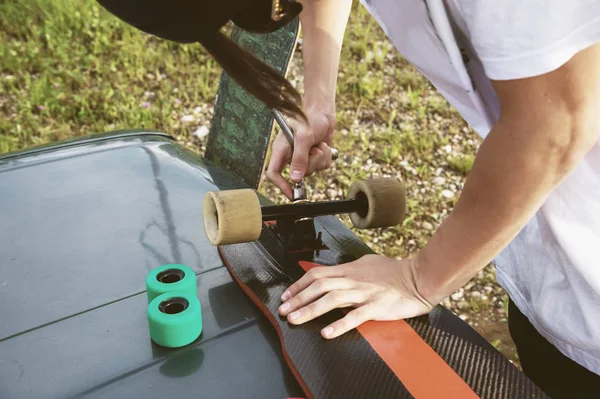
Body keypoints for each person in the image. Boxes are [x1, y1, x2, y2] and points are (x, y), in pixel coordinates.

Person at [97, 1, 600, 396]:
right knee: (547, 352)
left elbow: (556, 122)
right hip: (547, 242)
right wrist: (316, 98)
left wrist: (420, 277)